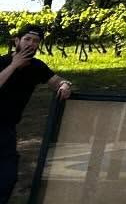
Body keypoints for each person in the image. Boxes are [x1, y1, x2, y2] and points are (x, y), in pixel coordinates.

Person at [0, 27, 73, 202]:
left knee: (7, 178)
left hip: (6, 128)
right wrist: (14, 65)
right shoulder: (2, 61)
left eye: (36, 41)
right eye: (27, 39)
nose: (31, 44)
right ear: (17, 41)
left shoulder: (37, 67)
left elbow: (56, 81)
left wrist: (65, 84)